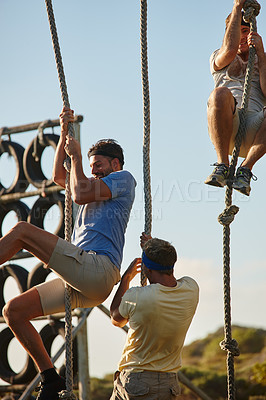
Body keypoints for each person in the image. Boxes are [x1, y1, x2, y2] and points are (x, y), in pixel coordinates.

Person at [2, 107, 136, 400]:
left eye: (99, 165)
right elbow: (58, 177)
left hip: (97, 268)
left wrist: (76, 156)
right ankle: (50, 379)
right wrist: (65, 132)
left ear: (115, 163)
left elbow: (78, 193)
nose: (94, 170)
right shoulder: (88, 184)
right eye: (91, 165)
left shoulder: (123, 179)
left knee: (23, 231)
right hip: (82, 279)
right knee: (13, 311)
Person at [109, 235, 199, 399]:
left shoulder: (137, 296)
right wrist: (153, 246)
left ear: (146, 269)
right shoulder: (191, 288)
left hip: (137, 379)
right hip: (169, 382)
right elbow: (168, 277)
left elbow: (116, 318)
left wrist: (126, 279)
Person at [205, 0, 266, 196]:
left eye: (245, 31)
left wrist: (262, 59)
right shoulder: (218, 57)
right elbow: (230, 50)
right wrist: (237, 6)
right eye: (236, 31)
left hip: (256, 133)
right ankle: (222, 165)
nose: (241, 36)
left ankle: (246, 169)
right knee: (220, 94)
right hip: (226, 128)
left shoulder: (262, 60)